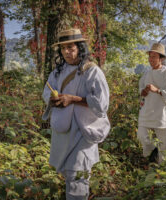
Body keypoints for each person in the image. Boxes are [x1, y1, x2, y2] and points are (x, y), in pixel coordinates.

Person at [42, 28, 110, 200]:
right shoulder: (58, 72)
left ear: (80, 47)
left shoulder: (92, 71)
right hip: (63, 134)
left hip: (82, 132)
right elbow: (46, 92)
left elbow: (102, 104)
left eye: (71, 47)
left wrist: (73, 99)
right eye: (63, 48)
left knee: (77, 176)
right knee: (69, 175)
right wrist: (52, 98)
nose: (67, 52)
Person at [137, 43, 166, 164]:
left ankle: (164, 172)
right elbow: (141, 92)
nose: (151, 59)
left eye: (154, 56)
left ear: (161, 58)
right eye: (150, 56)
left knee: (165, 146)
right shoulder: (146, 74)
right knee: (142, 136)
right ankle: (153, 152)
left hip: (162, 114)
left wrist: (158, 90)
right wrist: (144, 91)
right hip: (147, 112)